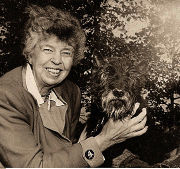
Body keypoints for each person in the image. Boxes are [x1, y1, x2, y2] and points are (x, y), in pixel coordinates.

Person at [0, 4, 148, 168]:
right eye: (48, 49)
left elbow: (68, 153)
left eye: (66, 52)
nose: (57, 60)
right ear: (30, 53)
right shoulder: (5, 96)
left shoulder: (71, 92)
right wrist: (104, 139)